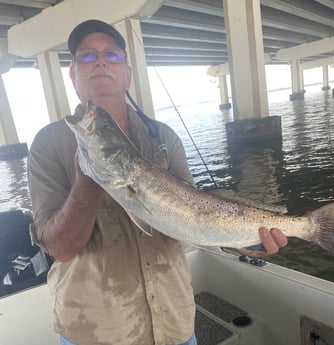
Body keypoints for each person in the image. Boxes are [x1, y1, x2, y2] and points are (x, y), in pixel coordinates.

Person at [28, 19, 288, 345]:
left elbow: (196, 218)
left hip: (175, 322)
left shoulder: (163, 137)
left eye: (112, 55)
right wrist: (88, 179)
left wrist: (248, 239)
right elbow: (59, 248)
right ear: (73, 74)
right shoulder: (47, 145)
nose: (100, 62)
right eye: (87, 56)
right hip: (96, 331)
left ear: (128, 73)